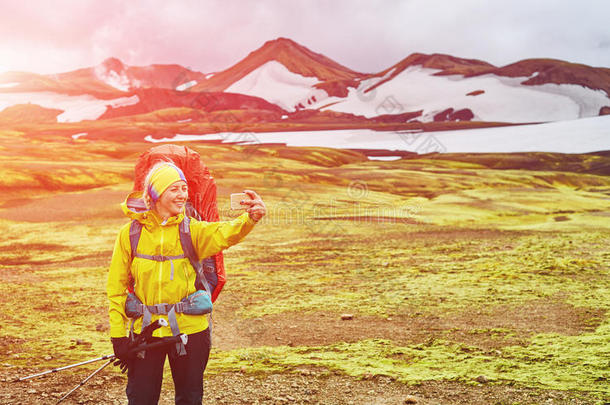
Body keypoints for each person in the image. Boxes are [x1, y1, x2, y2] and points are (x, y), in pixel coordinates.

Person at [107, 162, 266, 405]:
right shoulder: (129, 234)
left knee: (190, 399)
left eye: (184, 188)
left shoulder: (192, 231)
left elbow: (224, 233)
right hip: (146, 330)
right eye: (174, 189)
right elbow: (116, 288)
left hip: (190, 331)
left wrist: (250, 219)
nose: (182, 194)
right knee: (140, 399)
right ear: (155, 193)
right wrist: (119, 336)